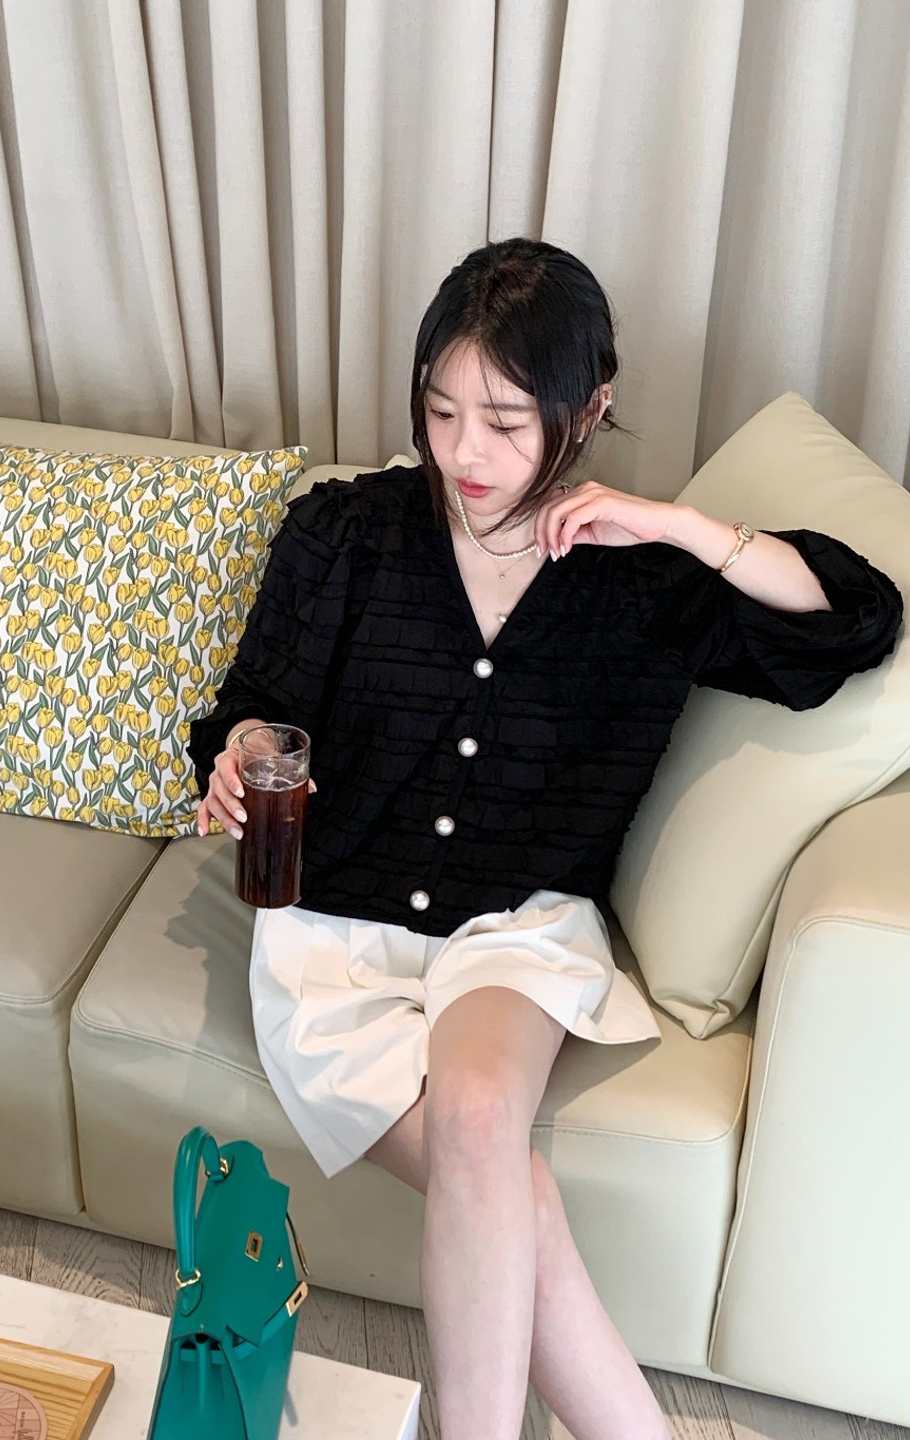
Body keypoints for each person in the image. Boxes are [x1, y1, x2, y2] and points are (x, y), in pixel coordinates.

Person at [188, 238, 903, 1440]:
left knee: (481, 1116)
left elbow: (857, 619)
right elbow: (255, 704)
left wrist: (676, 525)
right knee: (508, 1183)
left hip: (513, 929)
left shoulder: (641, 578)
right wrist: (241, 747)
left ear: (590, 409)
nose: (464, 453)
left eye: (506, 422)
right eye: (440, 411)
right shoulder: (345, 534)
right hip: (332, 932)